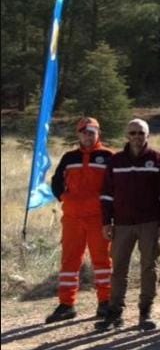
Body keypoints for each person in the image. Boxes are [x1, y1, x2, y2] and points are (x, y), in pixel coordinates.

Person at [95, 119, 160, 331]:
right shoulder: (116, 161)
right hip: (122, 224)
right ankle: (115, 313)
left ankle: (145, 312)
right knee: (118, 269)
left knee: (149, 267)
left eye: (141, 133)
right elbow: (106, 195)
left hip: (150, 223)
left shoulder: (158, 160)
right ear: (127, 135)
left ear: (147, 135)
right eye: (133, 133)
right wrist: (106, 222)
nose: (137, 136)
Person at [46, 117, 114, 323]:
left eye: (92, 131)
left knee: (102, 261)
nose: (88, 135)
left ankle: (106, 303)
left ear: (98, 133)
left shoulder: (108, 156)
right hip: (72, 218)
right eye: (84, 132)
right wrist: (63, 197)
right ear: (79, 134)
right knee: (69, 261)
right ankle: (67, 305)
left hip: (98, 218)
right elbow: (56, 181)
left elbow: (116, 186)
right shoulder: (69, 157)